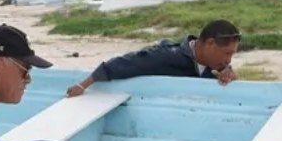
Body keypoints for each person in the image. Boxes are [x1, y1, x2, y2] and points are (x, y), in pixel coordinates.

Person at [66, 19, 242, 97]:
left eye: (232, 54)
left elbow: (226, 73)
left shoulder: (216, 64)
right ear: (210, 44)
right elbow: (122, 64)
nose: (228, 60)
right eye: (227, 53)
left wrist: (229, 74)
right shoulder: (165, 56)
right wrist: (83, 85)